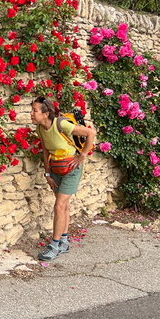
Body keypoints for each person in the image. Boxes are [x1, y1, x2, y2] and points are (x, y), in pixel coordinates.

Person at [30, 96, 96, 261]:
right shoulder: (40, 128)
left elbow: (90, 133)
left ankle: (54, 246)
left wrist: (81, 156)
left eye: (35, 110)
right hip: (55, 169)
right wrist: (47, 174)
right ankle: (64, 243)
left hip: (72, 169)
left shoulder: (61, 124)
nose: (31, 113)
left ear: (46, 114)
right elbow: (45, 151)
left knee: (59, 206)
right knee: (64, 206)